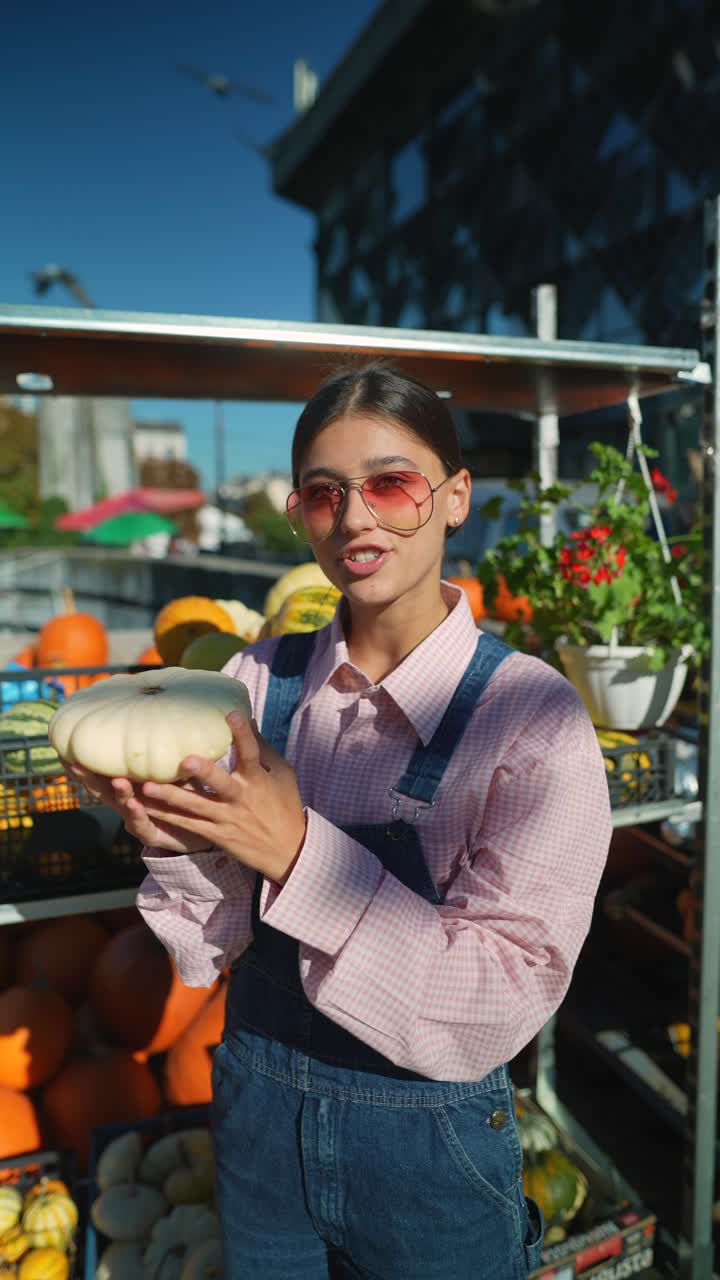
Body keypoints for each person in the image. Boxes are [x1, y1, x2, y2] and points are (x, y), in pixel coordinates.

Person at [67, 364, 612, 1280]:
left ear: (453, 498)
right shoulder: (249, 684)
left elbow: (498, 1006)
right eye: (323, 495)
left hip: (430, 1166)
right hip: (258, 1137)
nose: (356, 519)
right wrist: (181, 842)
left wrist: (295, 851)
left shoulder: (533, 721)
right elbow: (212, 948)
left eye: (391, 484)